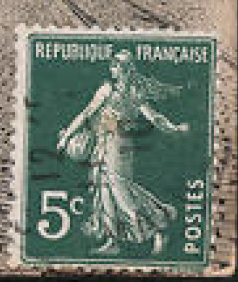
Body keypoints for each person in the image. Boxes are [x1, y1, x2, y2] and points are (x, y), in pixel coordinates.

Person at [56, 49, 191, 256]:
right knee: (104, 190)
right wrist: (67, 137)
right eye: (114, 66)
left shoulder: (129, 92)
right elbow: (87, 114)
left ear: (127, 70)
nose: (115, 70)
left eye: (118, 66)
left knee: (120, 190)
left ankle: (159, 226)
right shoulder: (112, 90)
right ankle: (112, 241)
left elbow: (154, 117)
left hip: (118, 144)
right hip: (105, 142)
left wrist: (174, 129)